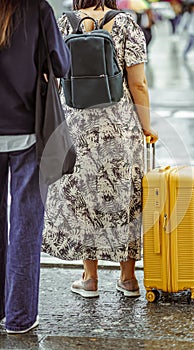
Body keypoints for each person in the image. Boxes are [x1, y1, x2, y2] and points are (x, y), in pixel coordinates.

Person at [42, 0, 158, 299]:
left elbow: (52, 78)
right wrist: (146, 126)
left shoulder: (64, 24)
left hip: (77, 125)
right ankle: (128, 279)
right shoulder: (126, 24)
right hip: (119, 126)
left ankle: (90, 278)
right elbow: (139, 83)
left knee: (85, 197)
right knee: (126, 197)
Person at [0, 0, 70, 334]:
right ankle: (19, 317)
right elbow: (61, 62)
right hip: (28, 129)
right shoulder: (37, 8)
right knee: (26, 225)